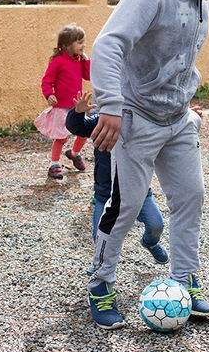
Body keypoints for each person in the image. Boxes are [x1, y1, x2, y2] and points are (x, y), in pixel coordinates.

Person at [86, 0, 209, 329]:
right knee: (125, 207)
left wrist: (182, 100)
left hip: (177, 119)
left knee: (191, 198)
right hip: (136, 118)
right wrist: (110, 106)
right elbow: (109, 45)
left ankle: (183, 282)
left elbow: (178, 53)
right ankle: (100, 284)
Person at [65, 91, 169, 274]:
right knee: (100, 235)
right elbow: (77, 127)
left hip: (139, 190)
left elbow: (166, 132)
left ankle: (150, 243)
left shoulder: (143, 122)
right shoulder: (101, 122)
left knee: (156, 225)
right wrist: (78, 112)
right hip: (106, 193)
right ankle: (100, 264)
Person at [34, 23, 90, 180]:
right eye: (79, 42)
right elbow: (46, 81)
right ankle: (54, 164)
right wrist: (48, 94)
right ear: (67, 45)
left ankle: (74, 153)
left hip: (77, 106)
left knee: (84, 132)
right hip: (61, 107)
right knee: (61, 137)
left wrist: (86, 60)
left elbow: (88, 75)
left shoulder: (78, 60)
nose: (83, 45)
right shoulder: (57, 62)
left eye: (83, 42)